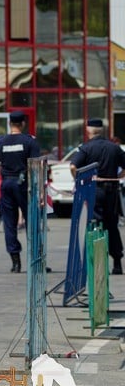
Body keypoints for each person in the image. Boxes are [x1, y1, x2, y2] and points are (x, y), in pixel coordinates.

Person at [69, 118, 125, 275]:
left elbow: (73, 166)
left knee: (95, 225)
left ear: (88, 130)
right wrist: (118, 176)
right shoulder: (114, 148)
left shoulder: (86, 148)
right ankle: (117, 263)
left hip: (94, 190)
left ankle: (98, 263)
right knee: (112, 226)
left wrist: (79, 180)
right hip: (112, 191)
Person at [0, 110, 41, 273]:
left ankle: (15, 262)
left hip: (6, 184)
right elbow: (36, 168)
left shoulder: (0, 142)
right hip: (25, 185)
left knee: (9, 224)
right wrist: (39, 192)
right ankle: (36, 262)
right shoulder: (30, 142)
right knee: (32, 222)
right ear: (23, 123)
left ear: (10, 123)